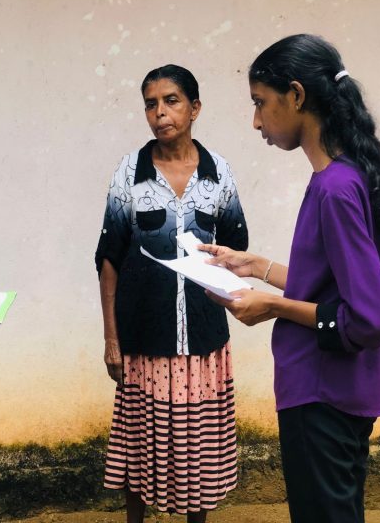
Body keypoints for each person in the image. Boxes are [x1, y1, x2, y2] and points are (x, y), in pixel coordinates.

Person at [201, 34, 380, 523]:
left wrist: (272, 306)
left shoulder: (334, 189)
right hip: (343, 391)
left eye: (260, 102)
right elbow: (340, 283)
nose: (256, 120)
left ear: (297, 96)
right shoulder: (348, 176)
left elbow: (368, 318)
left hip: (321, 395)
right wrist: (256, 266)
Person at [95, 65, 249, 523]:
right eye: (151, 104)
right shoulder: (130, 173)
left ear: (195, 108)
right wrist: (111, 339)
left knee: (198, 449)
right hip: (145, 339)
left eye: (171, 101)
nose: (160, 112)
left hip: (202, 339)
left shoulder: (219, 174)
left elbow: (237, 250)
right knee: (140, 444)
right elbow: (108, 259)